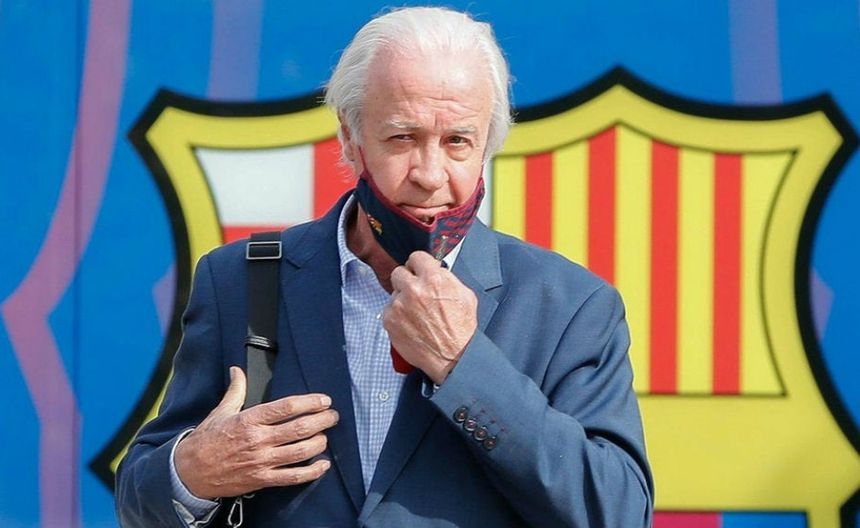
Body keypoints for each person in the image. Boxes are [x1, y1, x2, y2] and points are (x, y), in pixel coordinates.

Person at [116, 6, 654, 527]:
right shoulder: (241, 279)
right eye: (403, 137)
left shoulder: (570, 305)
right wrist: (195, 471)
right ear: (350, 137)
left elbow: (616, 512)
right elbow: (139, 501)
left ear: (486, 147)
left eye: (457, 141)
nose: (430, 174)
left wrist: (463, 365)